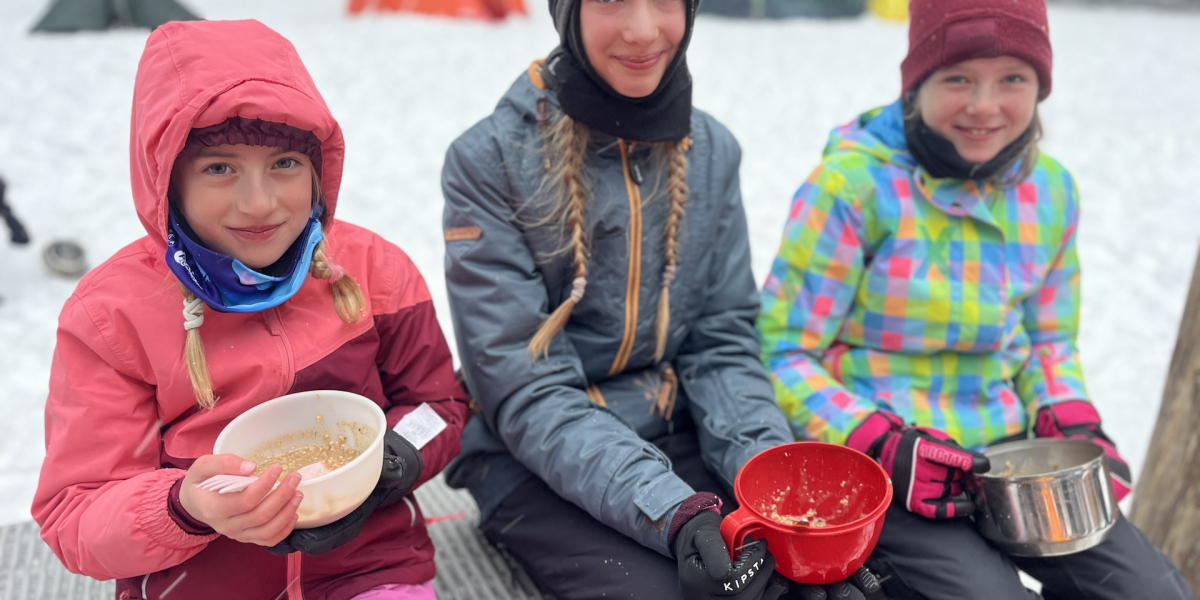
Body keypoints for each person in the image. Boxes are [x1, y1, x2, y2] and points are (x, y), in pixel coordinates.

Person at [440, 0, 882, 598]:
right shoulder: (490, 162)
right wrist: (674, 513)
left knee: (796, 579)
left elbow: (721, 343)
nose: (643, 30)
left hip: (674, 428)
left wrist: (773, 490)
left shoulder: (712, 151)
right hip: (527, 458)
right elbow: (527, 386)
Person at [756, 0, 1195, 598]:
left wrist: (1068, 415)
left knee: (1147, 590)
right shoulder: (851, 188)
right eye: (957, 78)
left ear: (1040, 87)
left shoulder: (1050, 191)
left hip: (1009, 455)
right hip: (893, 462)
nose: (984, 106)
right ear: (916, 86)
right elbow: (779, 352)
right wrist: (878, 444)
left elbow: (1047, 343)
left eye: (1012, 78)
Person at [32, 20, 468, 600]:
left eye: (285, 163)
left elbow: (439, 405)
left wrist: (392, 459)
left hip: (369, 570)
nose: (259, 203)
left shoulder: (376, 271)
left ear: (318, 168)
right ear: (167, 178)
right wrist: (183, 507)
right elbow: (75, 512)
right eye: (220, 168)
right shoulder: (110, 316)